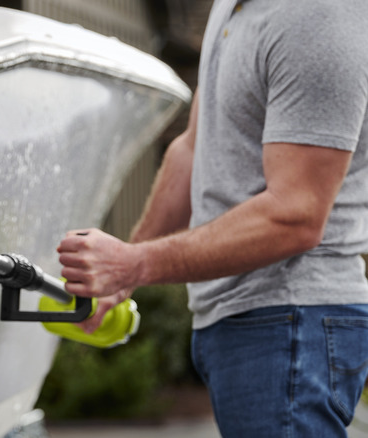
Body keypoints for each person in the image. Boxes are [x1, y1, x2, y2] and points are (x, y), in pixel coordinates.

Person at [57, 0, 368, 436]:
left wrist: (137, 262)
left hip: (292, 319)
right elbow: (191, 146)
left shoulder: (317, 14)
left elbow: (295, 214)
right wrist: (124, 272)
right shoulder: (233, 6)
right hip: (246, 322)